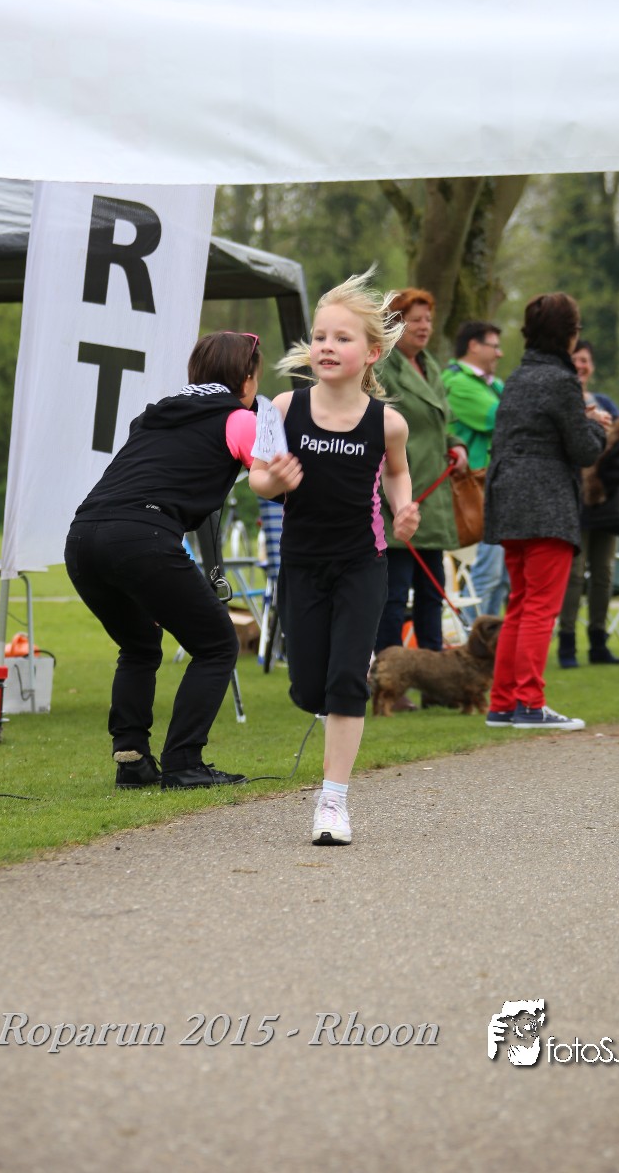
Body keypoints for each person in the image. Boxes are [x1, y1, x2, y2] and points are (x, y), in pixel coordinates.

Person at [249, 273, 420, 846]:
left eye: (342, 338)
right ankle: (328, 701)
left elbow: (397, 472)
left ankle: (333, 802)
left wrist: (404, 507)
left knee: (347, 680)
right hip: (301, 564)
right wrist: (275, 478)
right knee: (308, 688)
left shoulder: (388, 422)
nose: (326, 346)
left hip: (361, 563)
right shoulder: (282, 407)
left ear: (370, 352)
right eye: (320, 336)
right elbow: (257, 481)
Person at [64, 332, 263, 790]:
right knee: (217, 645)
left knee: (138, 645)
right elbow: (275, 479)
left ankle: (132, 759)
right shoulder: (238, 419)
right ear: (246, 378)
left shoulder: (152, 417)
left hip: (82, 537)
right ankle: (184, 763)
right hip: (141, 537)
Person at [483, 293, 608, 731]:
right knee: (539, 608)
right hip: (546, 502)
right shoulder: (561, 379)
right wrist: (596, 425)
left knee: (519, 604)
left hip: (508, 500)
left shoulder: (518, 376)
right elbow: (584, 449)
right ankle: (531, 704)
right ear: (570, 334)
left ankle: (503, 703)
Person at [372, 288, 467, 659]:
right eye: (416, 320)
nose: (425, 326)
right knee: (395, 592)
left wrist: (455, 443)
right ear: (396, 324)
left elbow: (441, 422)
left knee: (432, 590)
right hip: (399, 493)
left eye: (428, 319)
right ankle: (388, 672)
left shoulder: (430, 365)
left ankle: (434, 672)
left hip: (433, 496)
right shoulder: (382, 367)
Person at [557, 339, 619, 668]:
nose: (581, 365)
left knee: (604, 572)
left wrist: (605, 480)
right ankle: (567, 643)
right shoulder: (561, 401)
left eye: (585, 360)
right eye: (575, 359)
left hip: (606, 503)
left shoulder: (606, 403)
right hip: (573, 501)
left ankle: (598, 641)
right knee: (574, 574)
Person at [441, 320, 510, 620]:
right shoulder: (458, 383)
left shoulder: (491, 384)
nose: (500, 353)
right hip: (477, 490)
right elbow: (504, 417)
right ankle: (471, 640)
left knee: (501, 578)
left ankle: (489, 642)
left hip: (494, 487)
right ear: (473, 346)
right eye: (494, 346)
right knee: (487, 575)